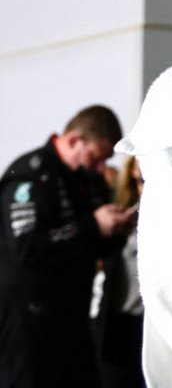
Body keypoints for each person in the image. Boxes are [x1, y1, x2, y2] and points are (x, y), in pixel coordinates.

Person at [0, 105, 135, 388]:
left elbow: (90, 247)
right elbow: (28, 247)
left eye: (106, 161)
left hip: (72, 316)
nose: (101, 168)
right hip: (28, 322)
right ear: (74, 141)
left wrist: (116, 233)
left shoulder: (89, 180)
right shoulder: (29, 173)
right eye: (96, 158)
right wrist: (91, 225)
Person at [92, 156, 147, 388]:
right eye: (138, 181)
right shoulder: (123, 218)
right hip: (117, 328)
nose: (143, 189)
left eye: (145, 180)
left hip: (153, 327)